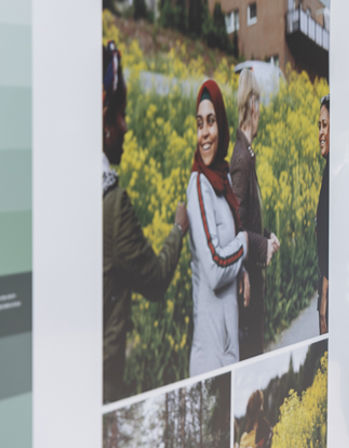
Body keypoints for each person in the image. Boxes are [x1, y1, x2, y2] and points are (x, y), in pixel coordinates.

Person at [102, 41, 188, 403]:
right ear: (104, 117)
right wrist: (179, 229)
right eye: (120, 115)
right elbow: (154, 280)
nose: (126, 126)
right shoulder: (111, 204)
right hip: (101, 387)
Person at [187, 79, 249, 375]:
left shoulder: (222, 180)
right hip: (210, 356)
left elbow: (225, 248)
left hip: (226, 349)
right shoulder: (200, 185)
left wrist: (241, 270)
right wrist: (245, 243)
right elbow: (214, 268)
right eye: (199, 124)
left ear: (221, 126)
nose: (204, 132)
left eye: (211, 121)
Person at [231, 69, 281, 360]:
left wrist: (267, 237)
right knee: (251, 353)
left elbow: (247, 217)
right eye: (259, 103)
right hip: (247, 278)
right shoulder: (241, 158)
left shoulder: (246, 153)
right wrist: (263, 247)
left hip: (251, 270)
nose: (261, 112)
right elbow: (236, 227)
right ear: (252, 105)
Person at [316, 95, 330, 333]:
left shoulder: (336, 173)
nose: (320, 133)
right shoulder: (331, 168)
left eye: (325, 125)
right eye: (319, 125)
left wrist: (326, 286)